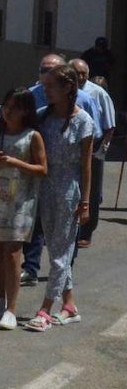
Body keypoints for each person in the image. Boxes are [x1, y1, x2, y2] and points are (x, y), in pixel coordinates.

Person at [24, 65, 94, 332]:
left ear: (67, 88)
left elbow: (86, 166)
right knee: (56, 251)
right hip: (44, 190)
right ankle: (70, 305)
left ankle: (45, 309)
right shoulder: (43, 117)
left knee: (60, 254)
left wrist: (85, 202)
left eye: (51, 86)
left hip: (68, 194)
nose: (46, 90)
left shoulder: (84, 121)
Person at [0, 89, 46, 331]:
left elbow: (42, 169)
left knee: (13, 252)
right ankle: (0, 299)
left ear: (26, 110)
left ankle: (12, 309)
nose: (8, 111)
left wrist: (15, 162)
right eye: (6, 105)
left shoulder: (32, 136)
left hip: (20, 200)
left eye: (14, 107)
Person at [70, 58, 115, 249]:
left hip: (93, 146)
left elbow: (109, 124)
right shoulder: (64, 90)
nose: (80, 77)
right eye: (76, 73)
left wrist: (103, 147)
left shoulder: (97, 93)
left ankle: (87, 231)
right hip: (71, 147)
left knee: (92, 191)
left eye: (83, 73)